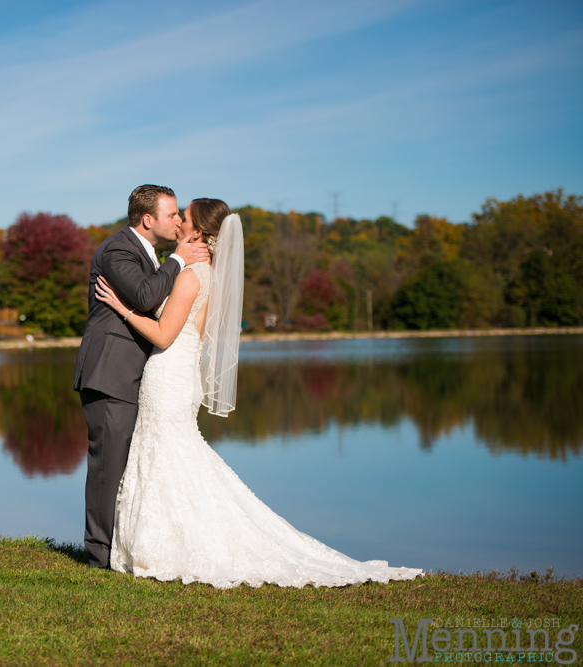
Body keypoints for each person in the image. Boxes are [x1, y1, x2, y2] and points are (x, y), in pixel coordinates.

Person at [94, 198, 423, 588]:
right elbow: (193, 335)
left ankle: (166, 545)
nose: (178, 220)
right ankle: (174, 540)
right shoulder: (209, 273)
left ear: (197, 232)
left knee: (167, 453)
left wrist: (123, 308)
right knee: (174, 454)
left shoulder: (189, 273)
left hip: (168, 373)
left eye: (185, 217)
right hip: (181, 374)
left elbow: (166, 335)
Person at [74, 184, 210, 569]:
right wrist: (180, 258)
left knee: (129, 467)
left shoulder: (152, 255)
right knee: (108, 465)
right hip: (109, 372)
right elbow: (147, 296)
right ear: (148, 220)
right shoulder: (118, 250)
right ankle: (99, 555)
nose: (179, 220)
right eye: (172, 215)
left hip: (139, 376)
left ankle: (122, 547)